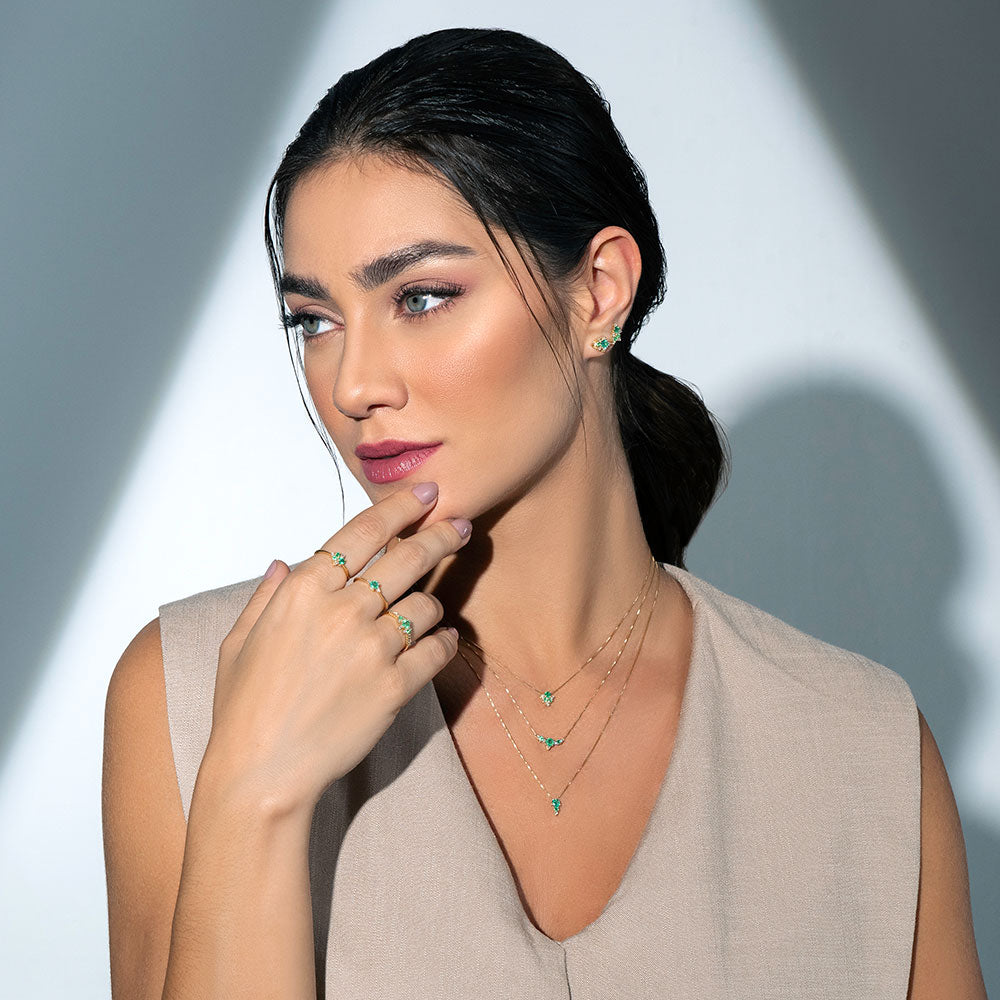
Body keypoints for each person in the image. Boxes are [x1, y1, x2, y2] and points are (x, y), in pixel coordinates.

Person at [101, 26, 986, 1000]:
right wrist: (252, 795)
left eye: (422, 297)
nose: (352, 384)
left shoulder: (861, 750)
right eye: (314, 320)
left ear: (599, 290)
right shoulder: (191, 694)